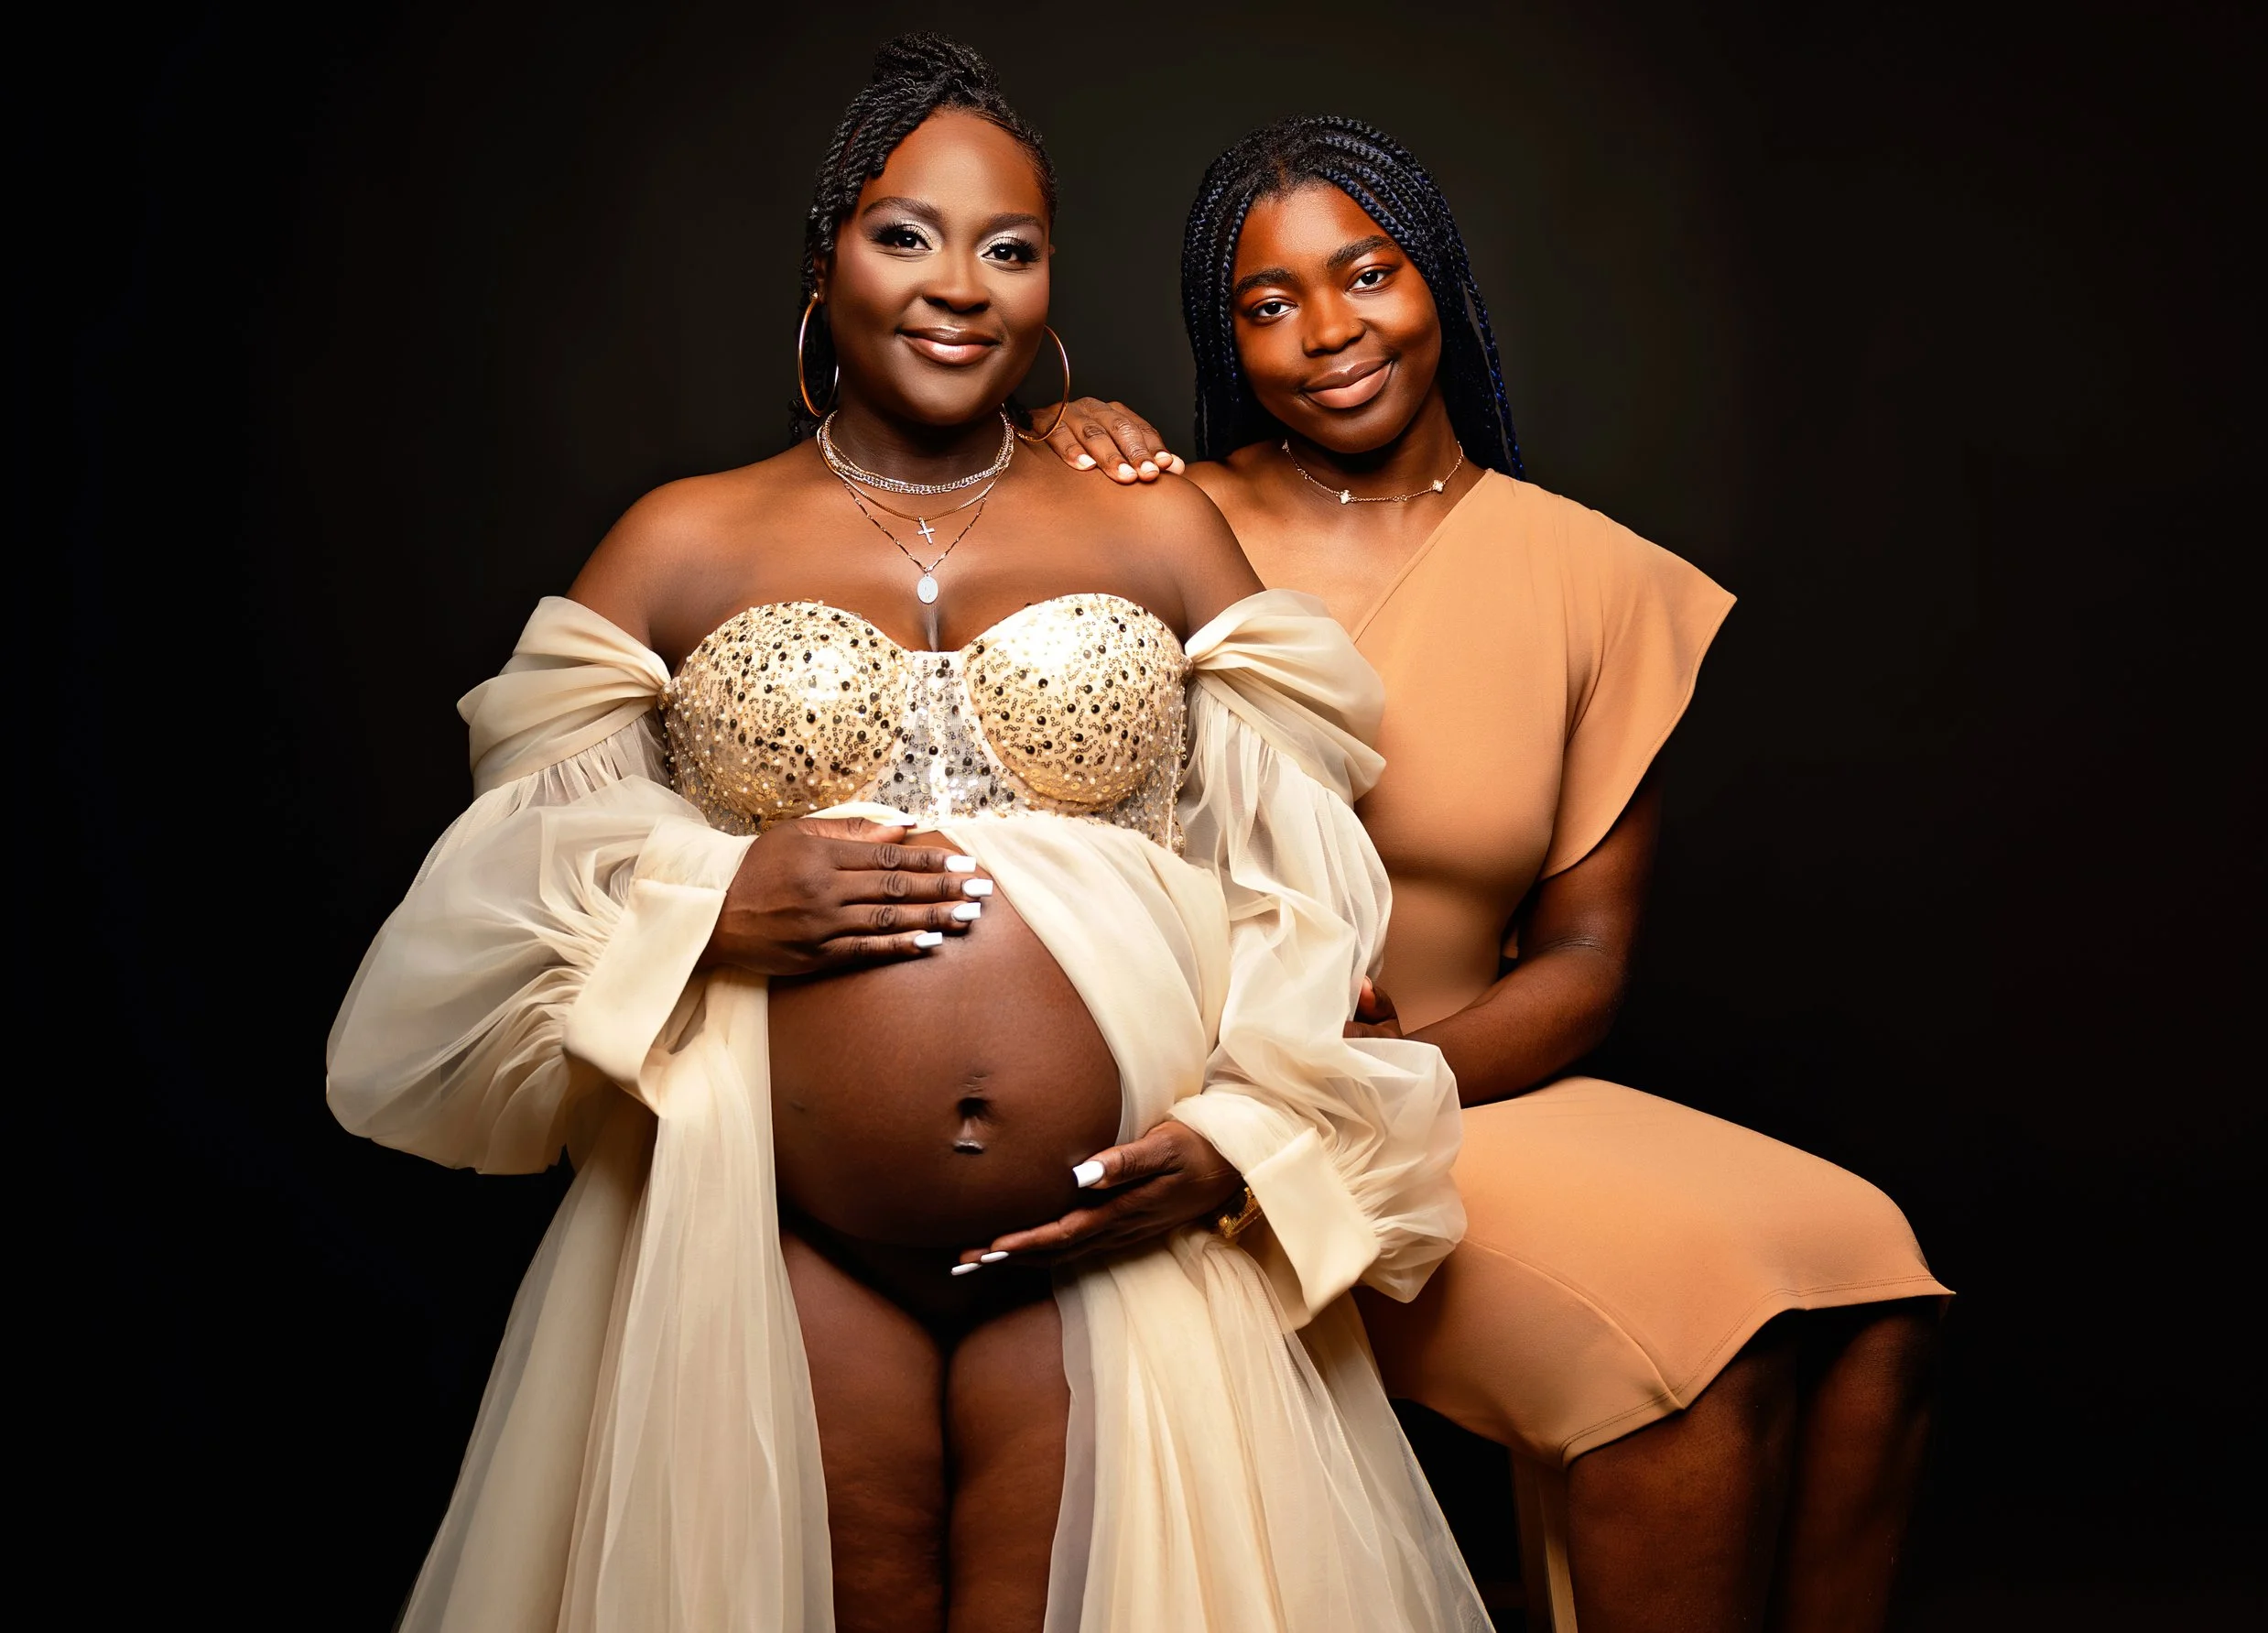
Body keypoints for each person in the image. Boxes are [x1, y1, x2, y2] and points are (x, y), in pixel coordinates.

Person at [328, 49, 1493, 1633]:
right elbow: (500, 892)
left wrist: (1248, 1137)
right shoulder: (682, 538)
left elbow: (1299, 873)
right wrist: (710, 901)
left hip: (1115, 1234)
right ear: (826, 262)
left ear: (1050, 285)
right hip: (774, 1243)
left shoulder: (1149, 521)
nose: (961, 287)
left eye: (1008, 249)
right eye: (907, 236)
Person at [1025, 115, 1951, 1633]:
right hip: (1222, 1105)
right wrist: (1053, 444)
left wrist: (1401, 1075)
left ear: (1435, 276)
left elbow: (1584, 960)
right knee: (1698, 1336)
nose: (1329, 334)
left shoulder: (1597, 574)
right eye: (1267, 304)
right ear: (1224, 332)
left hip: (1455, 1085)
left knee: (1878, 1281)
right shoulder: (1150, 519)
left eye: (1367, 273)